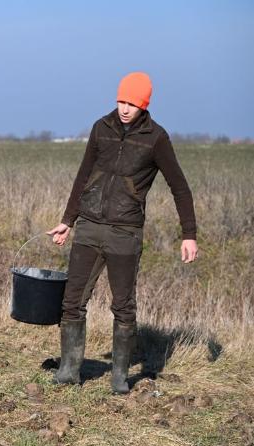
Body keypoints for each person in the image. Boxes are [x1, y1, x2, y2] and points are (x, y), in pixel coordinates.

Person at [46, 72, 198, 394]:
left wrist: (189, 234)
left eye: (132, 103)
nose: (125, 108)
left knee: (123, 307)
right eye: (121, 101)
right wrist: (67, 220)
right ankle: (69, 371)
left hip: (125, 233)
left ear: (144, 105)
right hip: (88, 227)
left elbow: (180, 189)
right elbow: (83, 175)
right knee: (72, 302)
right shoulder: (101, 128)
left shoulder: (156, 138)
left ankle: (119, 378)